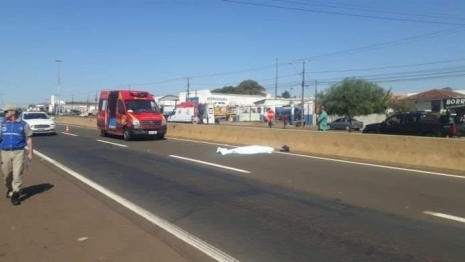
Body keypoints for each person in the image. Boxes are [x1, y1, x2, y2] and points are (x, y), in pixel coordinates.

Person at [0, 104, 33, 206]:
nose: (5, 113)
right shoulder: (2, 124)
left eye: (7, 111)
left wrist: (30, 152)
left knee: (17, 173)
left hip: (19, 152)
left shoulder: (23, 125)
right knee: (6, 174)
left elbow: (28, 138)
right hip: (5, 152)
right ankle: (10, 188)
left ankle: (15, 194)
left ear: (13, 112)